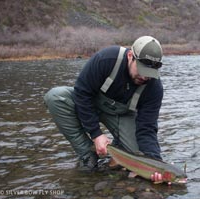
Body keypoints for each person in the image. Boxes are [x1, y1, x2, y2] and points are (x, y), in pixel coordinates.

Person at [44, 36, 164, 182]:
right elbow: (82, 93)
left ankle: (117, 149)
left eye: (149, 73)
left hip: (121, 116)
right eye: (141, 69)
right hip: (89, 103)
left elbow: (147, 127)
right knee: (56, 97)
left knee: (137, 156)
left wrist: (156, 164)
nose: (145, 77)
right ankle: (87, 154)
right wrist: (96, 134)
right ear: (130, 56)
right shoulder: (106, 59)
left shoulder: (154, 88)